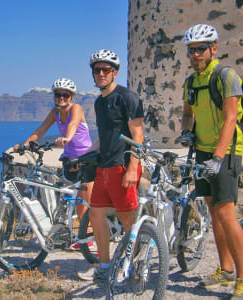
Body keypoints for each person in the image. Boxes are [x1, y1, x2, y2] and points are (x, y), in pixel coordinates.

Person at [180, 24, 243, 299]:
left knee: (225, 212)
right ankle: (225, 268)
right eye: (191, 50)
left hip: (226, 151)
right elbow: (188, 113)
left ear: (213, 49)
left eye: (200, 49)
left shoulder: (226, 76)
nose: (195, 55)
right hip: (202, 150)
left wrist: (219, 157)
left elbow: (231, 118)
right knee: (213, 212)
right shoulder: (190, 82)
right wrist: (186, 131)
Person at [77, 49, 144, 281]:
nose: (102, 73)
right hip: (103, 167)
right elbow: (103, 137)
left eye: (106, 70)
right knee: (96, 216)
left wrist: (133, 168)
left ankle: (131, 265)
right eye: (98, 70)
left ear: (115, 72)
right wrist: (83, 155)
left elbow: (138, 135)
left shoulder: (128, 98)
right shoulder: (98, 102)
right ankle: (104, 266)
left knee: (128, 220)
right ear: (93, 74)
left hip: (122, 166)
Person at [13, 78, 94, 240]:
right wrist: (25, 144)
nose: (61, 98)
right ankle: (83, 238)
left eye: (65, 95)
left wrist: (67, 138)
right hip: (70, 160)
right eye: (58, 95)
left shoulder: (76, 108)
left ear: (71, 97)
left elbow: (72, 125)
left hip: (87, 159)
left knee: (91, 202)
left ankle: (97, 238)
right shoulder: (55, 113)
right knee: (77, 200)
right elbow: (41, 129)